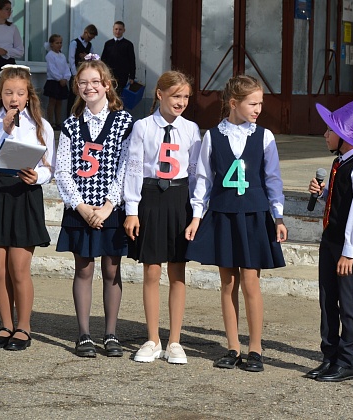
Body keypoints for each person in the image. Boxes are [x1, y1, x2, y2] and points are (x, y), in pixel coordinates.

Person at [185, 75, 288, 372]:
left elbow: (273, 179)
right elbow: (203, 179)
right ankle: (233, 347)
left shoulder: (264, 137)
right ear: (234, 103)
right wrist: (196, 216)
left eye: (260, 104)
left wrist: (278, 216)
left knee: (251, 281)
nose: (258, 109)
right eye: (253, 104)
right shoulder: (212, 136)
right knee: (228, 282)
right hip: (224, 214)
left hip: (254, 215)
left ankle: (255, 349)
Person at [304, 82, 353, 382]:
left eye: (329, 130)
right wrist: (323, 194)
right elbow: (341, 202)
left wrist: (349, 252)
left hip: (347, 245)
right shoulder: (340, 161)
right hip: (331, 239)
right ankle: (329, 355)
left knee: (347, 301)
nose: (325, 134)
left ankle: (347, 360)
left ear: (344, 135)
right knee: (327, 298)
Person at [55, 56, 133, 358]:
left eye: (95, 82)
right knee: (84, 269)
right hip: (81, 209)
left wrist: (109, 206)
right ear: (77, 86)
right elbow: (63, 170)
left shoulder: (124, 122)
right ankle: (84, 334)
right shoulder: (71, 124)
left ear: (107, 85)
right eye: (83, 82)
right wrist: (82, 207)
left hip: (110, 209)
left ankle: (111, 333)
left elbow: (126, 167)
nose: (90, 87)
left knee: (112, 270)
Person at [0, 64, 55, 351]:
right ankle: (5, 325)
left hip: (25, 192)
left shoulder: (41, 126)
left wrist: (38, 176)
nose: (14, 98)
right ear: (1, 95)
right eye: (8, 92)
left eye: (20, 93)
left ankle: (24, 327)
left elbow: (49, 167)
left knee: (18, 268)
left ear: (28, 95)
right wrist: (4, 131)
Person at [124, 70, 201, 364]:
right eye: (175, 96)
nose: (181, 102)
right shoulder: (142, 127)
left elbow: (196, 172)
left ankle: (175, 342)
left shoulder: (191, 129)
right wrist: (132, 210)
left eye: (186, 97)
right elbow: (133, 168)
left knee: (178, 271)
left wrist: (196, 212)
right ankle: (153, 339)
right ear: (160, 94)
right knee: (152, 271)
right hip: (151, 197)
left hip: (179, 200)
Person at [67, 24, 97, 118]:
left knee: (84, 96)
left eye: (92, 38)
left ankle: (81, 116)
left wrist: (86, 57)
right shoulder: (74, 43)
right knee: (72, 96)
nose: (90, 39)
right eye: (89, 37)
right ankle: (70, 116)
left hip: (85, 74)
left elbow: (93, 59)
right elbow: (71, 59)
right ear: (85, 32)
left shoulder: (90, 45)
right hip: (75, 73)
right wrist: (75, 74)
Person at [43, 34, 71, 130]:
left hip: (62, 81)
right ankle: (51, 122)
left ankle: (58, 122)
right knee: (52, 102)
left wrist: (66, 78)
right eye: (57, 43)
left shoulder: (62, 56)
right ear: (51, 44)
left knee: (59, 102)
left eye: (60, 43)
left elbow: (66, 67)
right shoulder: (50, 55)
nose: (59, 45)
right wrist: (59, 78)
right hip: (53, 81)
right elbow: (52, 69)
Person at [101, 21, 136, 97]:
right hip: (109, 75)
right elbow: (103, 60)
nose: (118, 31)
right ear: (113, 29)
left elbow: (132, 61)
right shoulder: (108, 44)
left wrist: (132, 76)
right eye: (116, 29)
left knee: (119, 95)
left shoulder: (128, 44)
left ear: (124, 30)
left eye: (120, 29)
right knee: (109, 94)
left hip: (122, 76)